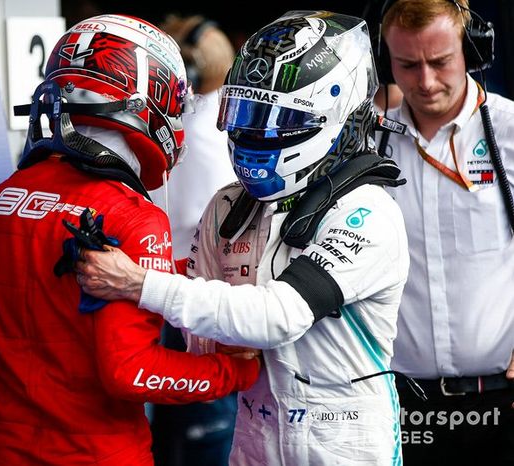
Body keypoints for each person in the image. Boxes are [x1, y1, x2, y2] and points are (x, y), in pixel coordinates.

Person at [75, 10, 411, 465]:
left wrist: (139, 283)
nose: (253, 131)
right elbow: (203, 340)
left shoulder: (368, 213)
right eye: (245, 112)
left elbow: (280, 317)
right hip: (255, 436)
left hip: (345, 444)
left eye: (274, 117)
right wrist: (219, 320)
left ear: (330, 114)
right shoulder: (229, 205)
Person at [0, 14, 260, 466]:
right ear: (149, 98)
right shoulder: (135, 217)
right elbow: (131, 372)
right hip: (97, 453)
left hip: (4, 449)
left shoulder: (6, 194)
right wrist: (236, 372)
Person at [378, 1, 514, 463]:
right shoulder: (368, 142)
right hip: (400, 406)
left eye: (440, 61)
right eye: (407, 66)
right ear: (385, 62)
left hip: (502, 401)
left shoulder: (510, 130)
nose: (427, 81)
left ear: (471, 51)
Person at [147, 15, 238, 466]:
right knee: (200, 434)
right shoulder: (212, 119)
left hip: (175, 287)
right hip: (191, 288)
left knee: (185, 434)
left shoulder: (184, 119)